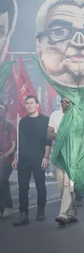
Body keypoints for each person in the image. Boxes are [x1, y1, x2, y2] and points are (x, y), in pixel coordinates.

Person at [12, 95, 51, 226]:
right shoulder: (22, 122)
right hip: (23, 160)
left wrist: (46, 157)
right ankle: (24, 214)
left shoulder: (45, 120)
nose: (29, 105)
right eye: (27, 103)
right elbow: (19, 141)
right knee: (22, 188)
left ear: (37, 105)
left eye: (31, 103)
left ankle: (41, 210)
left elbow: (48, 141)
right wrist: (15, 157)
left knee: (40, 186)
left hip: (38, 158)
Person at [48, 97, 79, 228]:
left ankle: (63, 214)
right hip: (59, 154)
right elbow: (49, 134)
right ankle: (71, 213)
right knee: (62, 185)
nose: (64, 104)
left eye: (67, 101)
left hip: (73, 154)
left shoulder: (76, 116)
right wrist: (62, 135)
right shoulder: (55, 115)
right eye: (62, 101)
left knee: (68, 183)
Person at [0, 104, 16, 219]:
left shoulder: (10, 125)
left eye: (1, 110)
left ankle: (8, 206)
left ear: (4, 112)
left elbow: (14, 145)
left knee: (3, 180)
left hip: (7, 159)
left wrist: (5, 154)